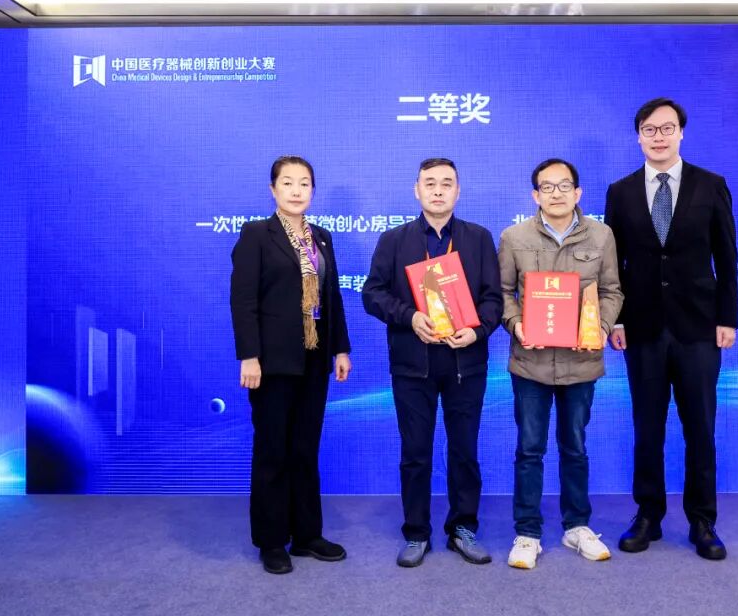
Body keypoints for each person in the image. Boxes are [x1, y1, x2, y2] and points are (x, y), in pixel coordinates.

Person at [604, 97, 738, 561]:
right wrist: (616, 318)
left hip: (699, 327)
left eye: (666, 128)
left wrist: (727, 318)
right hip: (641, 327)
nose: (658, 137)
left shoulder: (710, 185)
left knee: (700, 427)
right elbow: (613, 265)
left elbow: (727, 258)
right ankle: (648, 514)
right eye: (649, 129)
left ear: (681, 132)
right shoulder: (620, 192)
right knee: (647, 427)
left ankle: (703, 520)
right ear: (638, 136)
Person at [362, 158, 503, 567]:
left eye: (446, 183)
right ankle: (416, 532)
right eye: (430, 183)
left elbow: (494, 298)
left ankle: (463, 528)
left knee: (464, 451)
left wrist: (477, 330)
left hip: (466, 363)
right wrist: (410, 317)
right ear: (417, 190)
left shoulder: (478, 238)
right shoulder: (394, 240)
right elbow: (372, 293)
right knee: (415, 452)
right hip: (413, 365)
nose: (438, 190)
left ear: (458, 191)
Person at [498, 158, 623, 570]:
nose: (556, 193)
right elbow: (503, 293)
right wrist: (516, 325)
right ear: (535, 195)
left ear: (578, 192)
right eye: (547, 187)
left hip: (581, 362)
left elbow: (612, 290)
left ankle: (577, 526)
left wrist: (599, 327)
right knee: (529, 450)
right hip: (530, 362)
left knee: (575, 447)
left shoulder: (602, 235)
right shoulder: (514, 237)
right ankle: (527, 532)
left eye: (564, 185)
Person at [230, 155, 352, 575]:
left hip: (314, 358)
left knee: (305, 448)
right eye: (288, 183)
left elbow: (332, 298)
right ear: (273, 189)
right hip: (271, 362)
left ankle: (306, 535)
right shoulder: (256, 235)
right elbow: (243, 300)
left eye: (304, 183)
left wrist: (340, 349)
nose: (296, 190)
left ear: (312, 191)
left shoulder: (321, 238)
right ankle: (271, 540)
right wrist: (249, 355)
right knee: (272, 451)